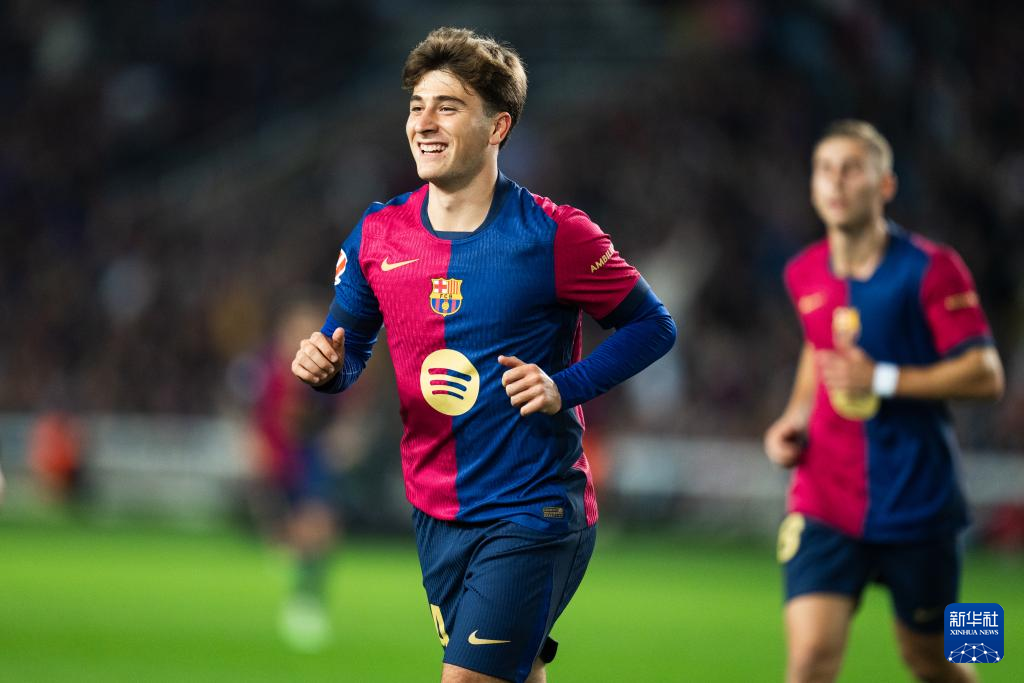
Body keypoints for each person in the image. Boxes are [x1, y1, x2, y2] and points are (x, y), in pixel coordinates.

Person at [291, 27, 676, 683]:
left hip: (533, 508)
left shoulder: (555, 234)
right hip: (436, 510)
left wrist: (564, 385)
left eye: (448, 106)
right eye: (417, 105)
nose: (424, 122)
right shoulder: (377, 234)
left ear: (498, 127)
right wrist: (327, 370)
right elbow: (346, 348)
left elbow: (652, 325)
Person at [764, 120, 1004, 683]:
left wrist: (884, 380)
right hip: (824, 496)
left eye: (852, 169)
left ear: (886, 185)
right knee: (809, 660)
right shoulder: (802, 271)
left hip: (920, 498)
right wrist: (793, 418)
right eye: (825, 169)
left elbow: (987, 374)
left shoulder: (934, 266)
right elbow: (817, 351)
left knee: (936, 658)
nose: (836, 181)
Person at [249, 301, 347, 651]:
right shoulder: (265, 370)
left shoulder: (326, 367)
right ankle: (300, 588)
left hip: (311, 458)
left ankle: (307, 601)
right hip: (278, 460)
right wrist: (255, 445)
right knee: (288, 538)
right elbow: (251, 412)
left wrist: (343, 437)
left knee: (319, 528)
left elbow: (344, 411)